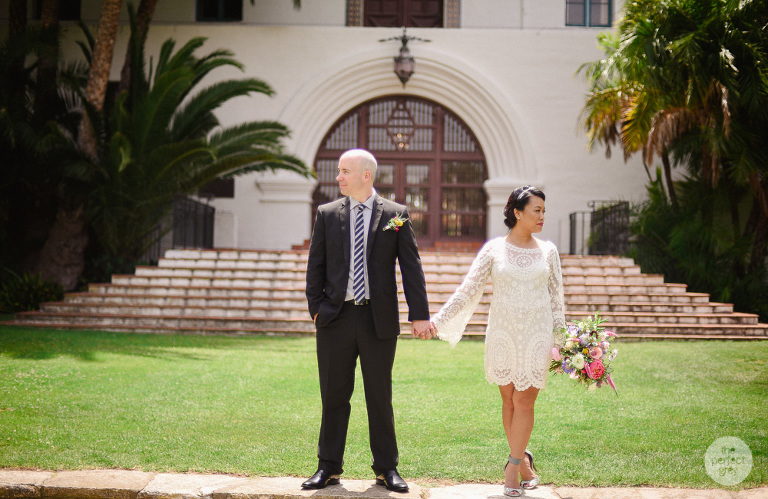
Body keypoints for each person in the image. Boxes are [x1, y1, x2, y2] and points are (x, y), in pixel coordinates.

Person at [303, 148, 436, 493]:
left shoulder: (396, 215)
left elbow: (411, 267)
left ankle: (386, 468)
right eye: (338, 171)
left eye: (345, 171)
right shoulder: (327, 214)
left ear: (366, 175)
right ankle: (328, 466)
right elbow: (315, 266)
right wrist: (316, 308)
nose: (338, 177)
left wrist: (419, 315)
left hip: (379, 320)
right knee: (334, 394)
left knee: (380, 395)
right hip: (336, 318)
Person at [430, 185, 566, 497]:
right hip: (503, 334)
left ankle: (511, 467)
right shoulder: (494, 249)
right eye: (537, 210)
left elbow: (557, 300)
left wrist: (562, 344)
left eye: (544, 210)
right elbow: (467, 289)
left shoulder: (549, 251)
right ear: (517, 213)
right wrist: (438, 320)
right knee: (507, 400)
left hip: (537, 335)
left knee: (524, 400)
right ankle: (525, 465)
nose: (543, 216)